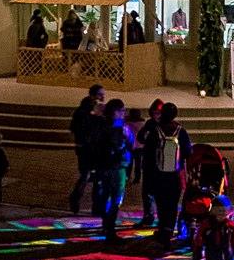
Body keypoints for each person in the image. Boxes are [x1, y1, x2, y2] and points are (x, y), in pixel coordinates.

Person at [143, 102, 192, 245]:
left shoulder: (155, 130)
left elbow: (148, 154)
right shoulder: (180, 131)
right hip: (176, 175)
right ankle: (169, 231)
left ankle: (162, 228)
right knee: (172, 204)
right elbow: (188, 152)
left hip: (158, 174)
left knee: (161, 203)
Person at [92, 98, 133, 241]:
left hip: (105, 167)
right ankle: (109, 228)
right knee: (115, 198)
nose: (124, 113)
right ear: (115, 112)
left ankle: (106, 224)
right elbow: (126, 144)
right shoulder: (118, 128)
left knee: (106, 197)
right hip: (115, 167)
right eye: (122, 111)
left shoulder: (101, 125)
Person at [66, 83, 107, 214]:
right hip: (87, 148)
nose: (103, 97)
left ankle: (95, 205)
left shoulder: (92, 110)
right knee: (88, 175)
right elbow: (79, 128)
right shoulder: (86, 111)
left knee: (95, 176)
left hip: (93, 147)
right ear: (93, 95)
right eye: (100, 94)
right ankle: (78, 199)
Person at [134, 100, 165, 228]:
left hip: (162, 164)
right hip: (149, 162)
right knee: (147, 192)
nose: (155, 115)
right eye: (154, 113)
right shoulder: (150, 124)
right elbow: (140, 137)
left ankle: (162, 218)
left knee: (160, 192)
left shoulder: (166, 126)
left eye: (158, 113)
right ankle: (149, 216)